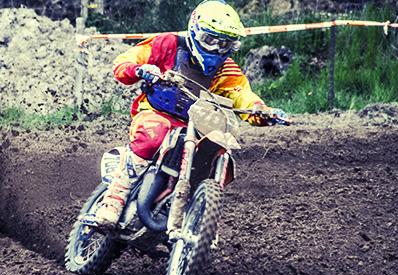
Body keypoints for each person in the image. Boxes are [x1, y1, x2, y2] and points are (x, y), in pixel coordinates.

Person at [95, 0, 288, 229]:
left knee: (216, 153)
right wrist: (141, 70)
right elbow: (126, 61)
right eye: (210, 40)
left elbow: (241, 94)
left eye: (224, 43)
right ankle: (114, 198)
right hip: (156, 113)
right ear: (195, 31)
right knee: (153, 135)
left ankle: (200, 221)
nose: (216, 48)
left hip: (197, 126)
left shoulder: (227, 70)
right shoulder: (169, 45)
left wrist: (262, 111)